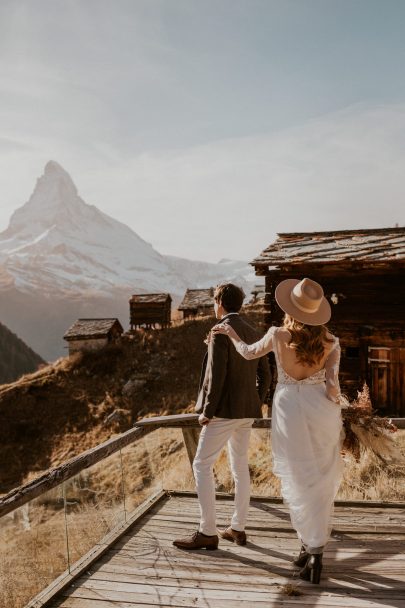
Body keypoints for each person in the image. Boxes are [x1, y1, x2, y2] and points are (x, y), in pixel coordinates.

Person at [213, 277, 343, 584]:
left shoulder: (277, 334)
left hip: (288, 410)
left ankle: (307, 548)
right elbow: (333, 389)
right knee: (319, 479)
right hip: (321, 411)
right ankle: (314, 552)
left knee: (297, 478)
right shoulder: (332, 342)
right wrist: (345, 410)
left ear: (291, 308)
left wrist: (230, 331)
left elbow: (246, 352)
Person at [173, 283, 271, 550]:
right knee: (240, 467)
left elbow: (217, 377)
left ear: (219, 302)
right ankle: (237, 528)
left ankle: (207, 531)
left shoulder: (220, 332)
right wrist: (255, 403)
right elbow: (267, 375)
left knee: (201, 465)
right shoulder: (253, 331)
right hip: (246, 413)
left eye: (215, 301)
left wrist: (207, 412)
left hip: (223, 412)